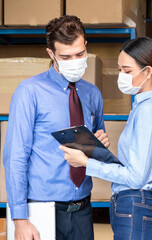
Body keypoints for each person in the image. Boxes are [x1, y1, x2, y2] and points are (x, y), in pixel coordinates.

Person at [60, 37, 152, 240]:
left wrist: (86, 163)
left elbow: (136, 177)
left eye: (127, 71)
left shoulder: (149, 110)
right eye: (119, 70)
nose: (122, 77)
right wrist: (96, 151)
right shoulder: (142, 108)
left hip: (136, 204)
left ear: (148, 71)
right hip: (132, 205)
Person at [3, 15, 109, 240]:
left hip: (83, 210)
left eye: (80, 54)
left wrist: (100, 146)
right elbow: (16, 157)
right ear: (51, 54)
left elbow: (94, 155)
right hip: (42, 211)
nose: (75, 61)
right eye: (66, 56)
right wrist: (20, 219)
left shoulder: (92, 94)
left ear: (85, 46)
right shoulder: (30, 92)